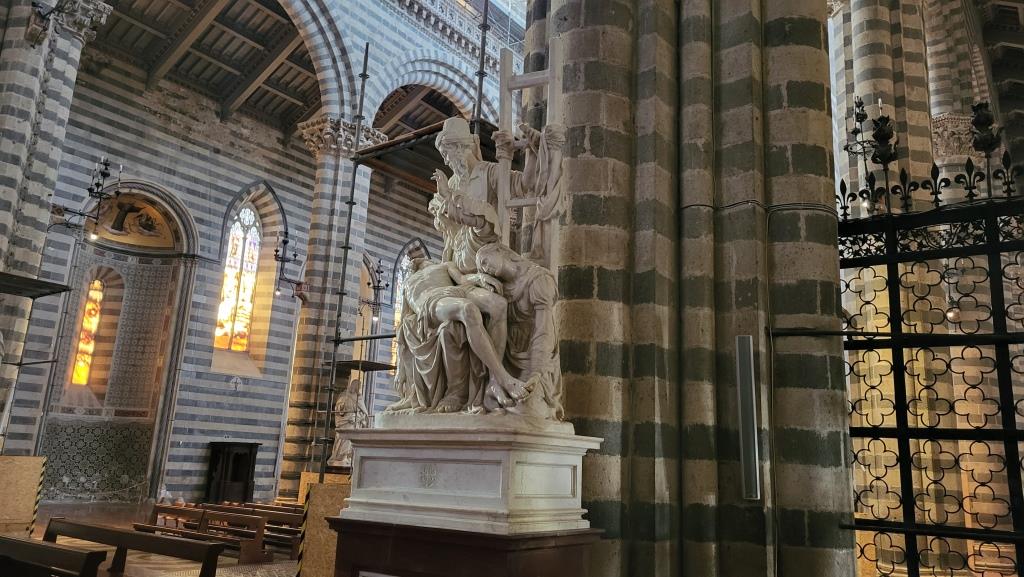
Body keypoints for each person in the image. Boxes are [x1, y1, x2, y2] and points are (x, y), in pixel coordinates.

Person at [385, 258, 527, 415]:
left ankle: (494, 382)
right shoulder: (408, 283)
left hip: (458, 291)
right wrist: (401, 370)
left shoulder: (444, 265)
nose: (420, 260)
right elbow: (403, 323)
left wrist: (479, 277)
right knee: (468, 310)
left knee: (499, 304)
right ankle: (504, 378)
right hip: (433, 301)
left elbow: (462, 279)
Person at [475, 242, 563, 419]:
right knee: (498, 407)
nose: (484, 269)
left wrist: (536, 372)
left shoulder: (539, 279)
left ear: (499, 250)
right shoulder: (497, 287)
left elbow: (544, 331)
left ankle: (549, 405)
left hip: (534, 357)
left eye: (484, 261)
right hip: (506, 358)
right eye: (481, 268)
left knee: (527, 410)